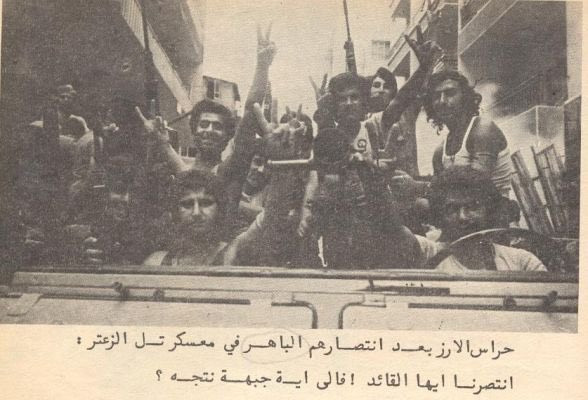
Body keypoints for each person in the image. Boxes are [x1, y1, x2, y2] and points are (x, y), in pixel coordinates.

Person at [391, 70, 512, 197]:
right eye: (436, 96)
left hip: (492, 213)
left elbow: (475, 188)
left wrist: (419, 187)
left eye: (450, 93)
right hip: (461, 213)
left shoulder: (482, 129)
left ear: (465, 97)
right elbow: (439, 191)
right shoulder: (440, 151)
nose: (442, 101)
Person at [413, 165, 547, 272]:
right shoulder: (430, 253)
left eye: (472, 207)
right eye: (452, 209)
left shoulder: (522, 262)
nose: (462, 217)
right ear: (441, 214)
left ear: (488, 210)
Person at [143, 169, 230, 266]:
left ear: (220, 209)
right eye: (187, 204)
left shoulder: (232, 255)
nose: (196, 213)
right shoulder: (156, 262)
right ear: (175, 212)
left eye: (205, 203)